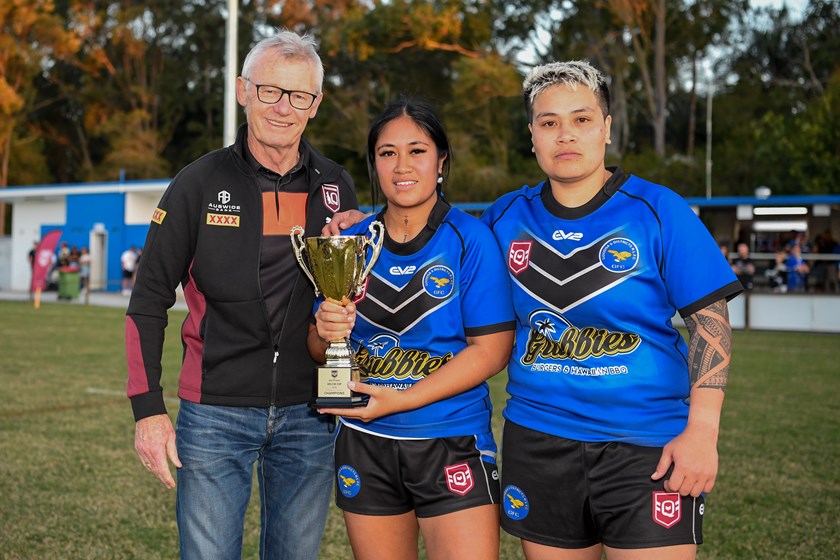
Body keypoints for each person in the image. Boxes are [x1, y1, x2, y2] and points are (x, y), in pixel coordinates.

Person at [478, 61, 742, 559]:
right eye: (549, 122)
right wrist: (369, 225)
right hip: (538, 438)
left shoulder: (658, 209)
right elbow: (438, 251)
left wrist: (703, 431)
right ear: (532, 136)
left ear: (606, 128)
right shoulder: (504, 217)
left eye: (581, 119)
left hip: (646, 442)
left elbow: (711, 324)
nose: (565, 135)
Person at [125, 29, 357, 560]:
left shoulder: (336, 185)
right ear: (242, 91)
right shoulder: (197, 183)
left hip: (310, 412)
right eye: (270, 90)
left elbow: (345, 296)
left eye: (299, 95)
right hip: (214, 412)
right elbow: (148, 299)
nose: (283, 107)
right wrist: (147, 410)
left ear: (316, 104)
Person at [309, 98, 514, 560]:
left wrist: (402, 399)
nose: (402, 165)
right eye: (388, 153)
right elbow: (320, 350)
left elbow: (492, 351)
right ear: (374, 164)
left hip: (450, 439)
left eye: (417, 151)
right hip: (365, 440)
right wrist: (325, 330)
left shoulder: (471, 239)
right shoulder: (349, 243)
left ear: (441, 161)